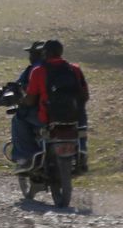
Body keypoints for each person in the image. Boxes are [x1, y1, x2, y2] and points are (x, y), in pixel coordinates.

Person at [19, 39, 90, 172]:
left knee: (20, 119)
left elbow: (30, 99)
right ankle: (82, 153)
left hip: (48, 117)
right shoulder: (74, 69)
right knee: (81, 125)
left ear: (45, 53)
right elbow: (85, 96)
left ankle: (25, 157)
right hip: (74, 117)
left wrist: (22, 101)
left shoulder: (38, 71)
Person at [9, 41, 45, 167]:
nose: (30, 57)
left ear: (37, 55)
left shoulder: (34, 70)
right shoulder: (66, 68)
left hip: (43, 114)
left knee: (19, 119)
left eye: (32, 54)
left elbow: (27, 95)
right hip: (69, 115)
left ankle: (25, 157)